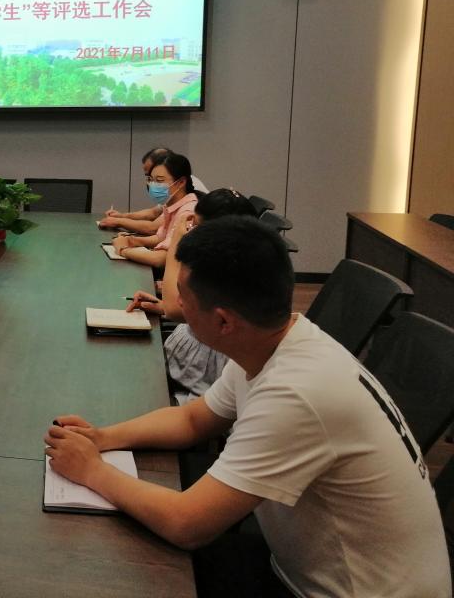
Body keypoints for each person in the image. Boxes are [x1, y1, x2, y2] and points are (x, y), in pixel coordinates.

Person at [45, 217, 450, 597]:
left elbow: (188, 524)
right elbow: (192, 419)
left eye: (184, 296)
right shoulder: (276, 340)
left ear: (224, 322)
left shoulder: (295, 393)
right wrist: (103, 437)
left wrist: (92, 470)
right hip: (301, 567)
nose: (176, 303)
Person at [128, 188, 259, 400]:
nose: (192, 231)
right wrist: (162, 306)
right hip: (188, 352)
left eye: (196, 226)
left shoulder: (232, 265)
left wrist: (177, 241)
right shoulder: (224, 256)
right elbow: (198, 309)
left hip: (204, 371)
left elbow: (174, 309)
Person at [110, 152, 199, 268]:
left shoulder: (187, 212)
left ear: (181, 182)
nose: (152, 185)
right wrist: (133, 240)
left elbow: (161, 259)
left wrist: (123, 249)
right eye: (151, 180)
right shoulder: (172, 204)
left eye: (159, 181)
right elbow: (161, 237)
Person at [99, 146, 209, 234]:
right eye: (150, 177)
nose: (152, 184)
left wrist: (119, 222)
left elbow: (153, 228)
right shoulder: (171, 191)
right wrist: (122, 216)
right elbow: (154, 213)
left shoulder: (186, 195)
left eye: (158, 178)